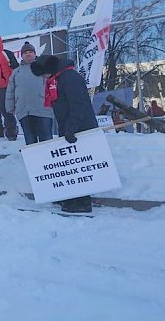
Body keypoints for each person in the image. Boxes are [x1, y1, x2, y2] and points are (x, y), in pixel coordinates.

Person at [31, 54, 98, 213]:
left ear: (50, 69)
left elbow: (78, 104)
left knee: (80, 166)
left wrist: (71, 128)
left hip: (80, 128)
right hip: (69, 127)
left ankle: (83, 202)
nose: (44, 77)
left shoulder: (69, 78)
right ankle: (72, 198)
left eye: (44, 73)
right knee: (72, 164)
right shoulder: (58, 79)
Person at [5, 42, 54, 145]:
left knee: (46, 140)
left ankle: (48, 160)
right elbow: (10, 90)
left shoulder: (43, 66)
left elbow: (52, 84)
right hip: (24, 111)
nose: (28, 54)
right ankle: (34, 161)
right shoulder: (16, 72)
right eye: (25, 52)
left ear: (35, 54)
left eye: (31, 52)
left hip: (43, 109)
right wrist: (9, 107)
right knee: (30, 141)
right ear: (22, 55)